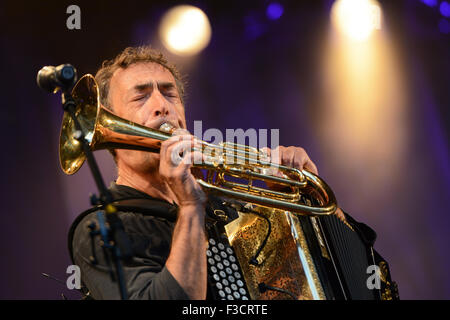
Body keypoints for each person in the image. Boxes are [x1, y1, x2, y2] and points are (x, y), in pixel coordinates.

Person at [69, 46, 373, 300]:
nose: (162, 106)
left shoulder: (223, 209)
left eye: (170, 94)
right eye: (141, 96)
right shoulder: (101, 228)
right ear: (108, 121)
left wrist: (302, 199)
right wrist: (189, 208)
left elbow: (325, 275)